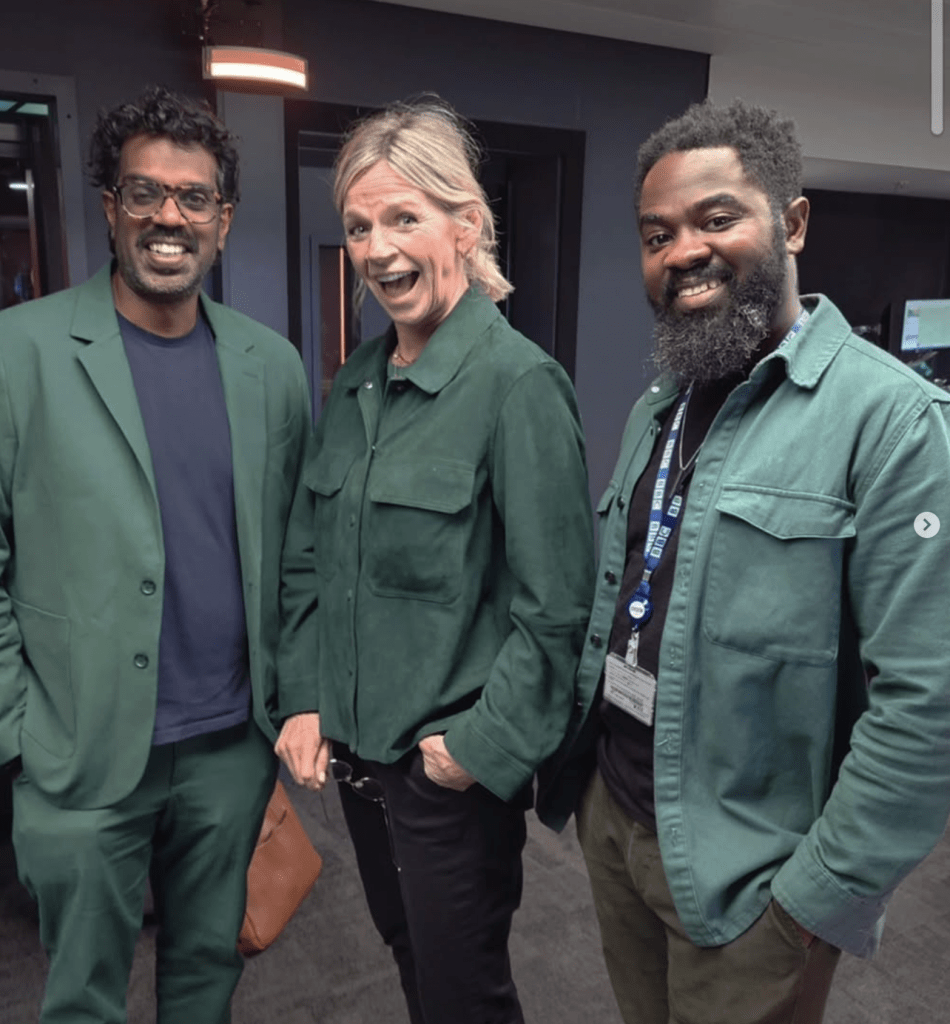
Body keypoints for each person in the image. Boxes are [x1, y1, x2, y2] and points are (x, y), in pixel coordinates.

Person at [538, 98, 950, 1024]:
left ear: (791, 223)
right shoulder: (660, 406)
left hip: (753, 878)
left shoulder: (891, 422)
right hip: (618, 821)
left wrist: (813, 901)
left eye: (716, 218)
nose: (683, 251)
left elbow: (928, 704)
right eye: (657, 235)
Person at [0, 86, 315, 1024]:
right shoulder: (10, 352)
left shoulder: (273, 366)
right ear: (111, 207)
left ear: (223, 218)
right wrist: (16, 732)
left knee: (207, 973)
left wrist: (288, 705)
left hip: (229, 748)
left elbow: (298, 556)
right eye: (146, 193)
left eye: (193, 197)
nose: (169, 217)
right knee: (83, 997)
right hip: (78, 751)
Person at [275, 98, 594, 1024]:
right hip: (358, 762)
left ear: (467, 224)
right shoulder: (356, 384)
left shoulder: (519, 386)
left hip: (446, 777)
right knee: (409, 956)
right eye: (359, 226)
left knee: (464, 995)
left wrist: (474, 754)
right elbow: (310, 561)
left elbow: (557, 610)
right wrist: (304, 696)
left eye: (404, 217)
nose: (378, 249)